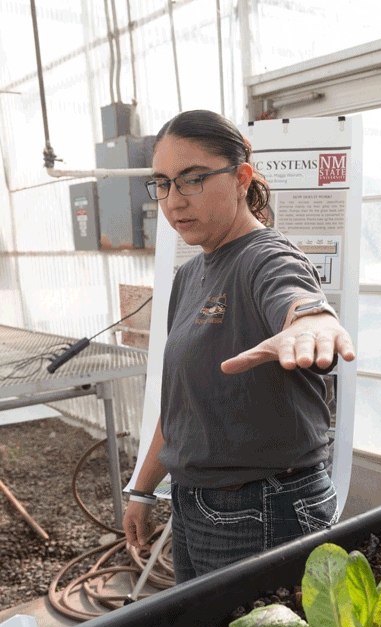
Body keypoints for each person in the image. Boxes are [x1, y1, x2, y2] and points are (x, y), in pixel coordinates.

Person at [122, 109, 356, 584]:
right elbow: (180, 404)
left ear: (240, 178)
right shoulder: (190, 274)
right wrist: (143, 490)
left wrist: (311, 320)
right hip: (194, 506)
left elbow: (294, 293)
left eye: (192, 179)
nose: (173, 200)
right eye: (163, 183)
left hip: (263, 508)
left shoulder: (264, 256)